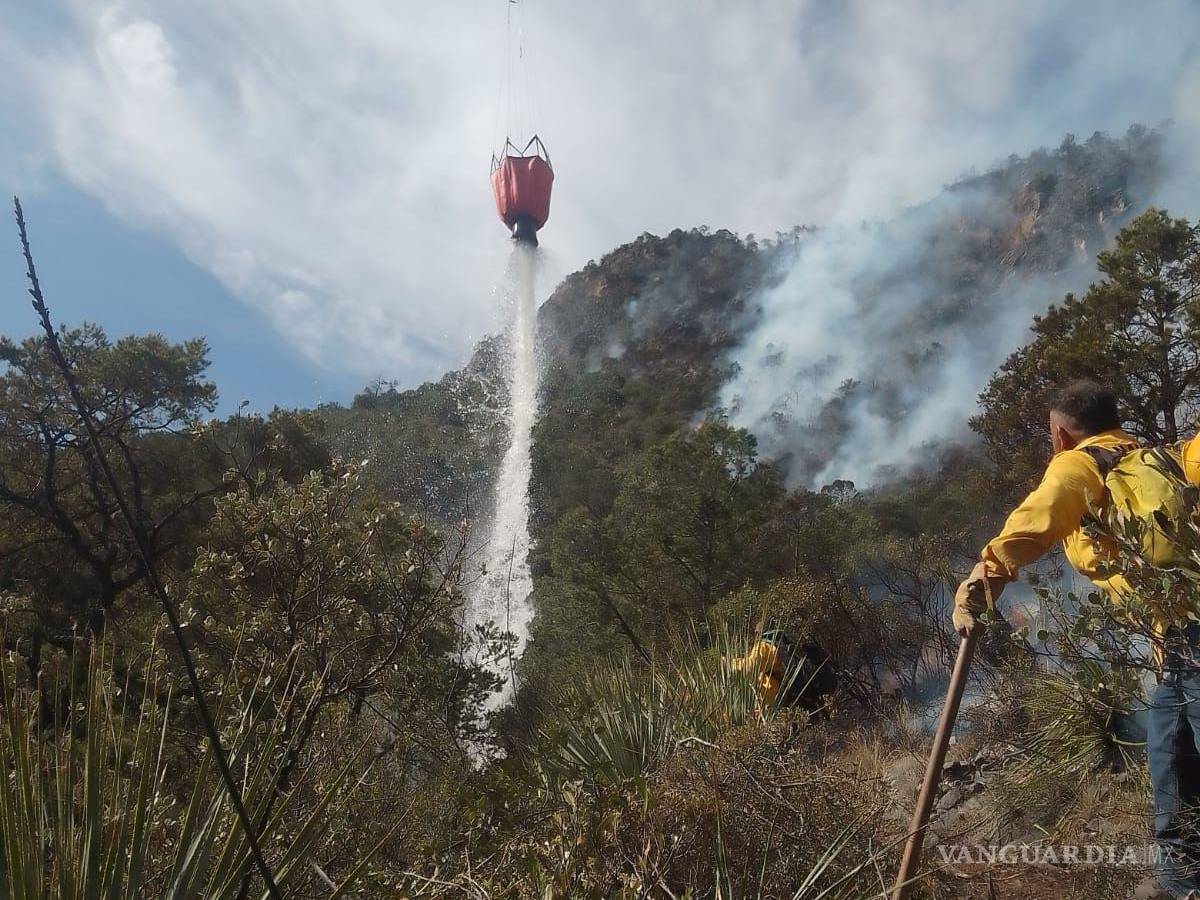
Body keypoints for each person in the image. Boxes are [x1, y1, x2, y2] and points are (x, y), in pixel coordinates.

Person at [952, 379, 1200, 900]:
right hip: (1181, 643)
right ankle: (1183, 881)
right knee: (1168, 747)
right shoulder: (1154, 456)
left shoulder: (1078, 465)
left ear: (1061, 434)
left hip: (1192, 638)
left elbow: (1036, 522)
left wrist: (983, 580)